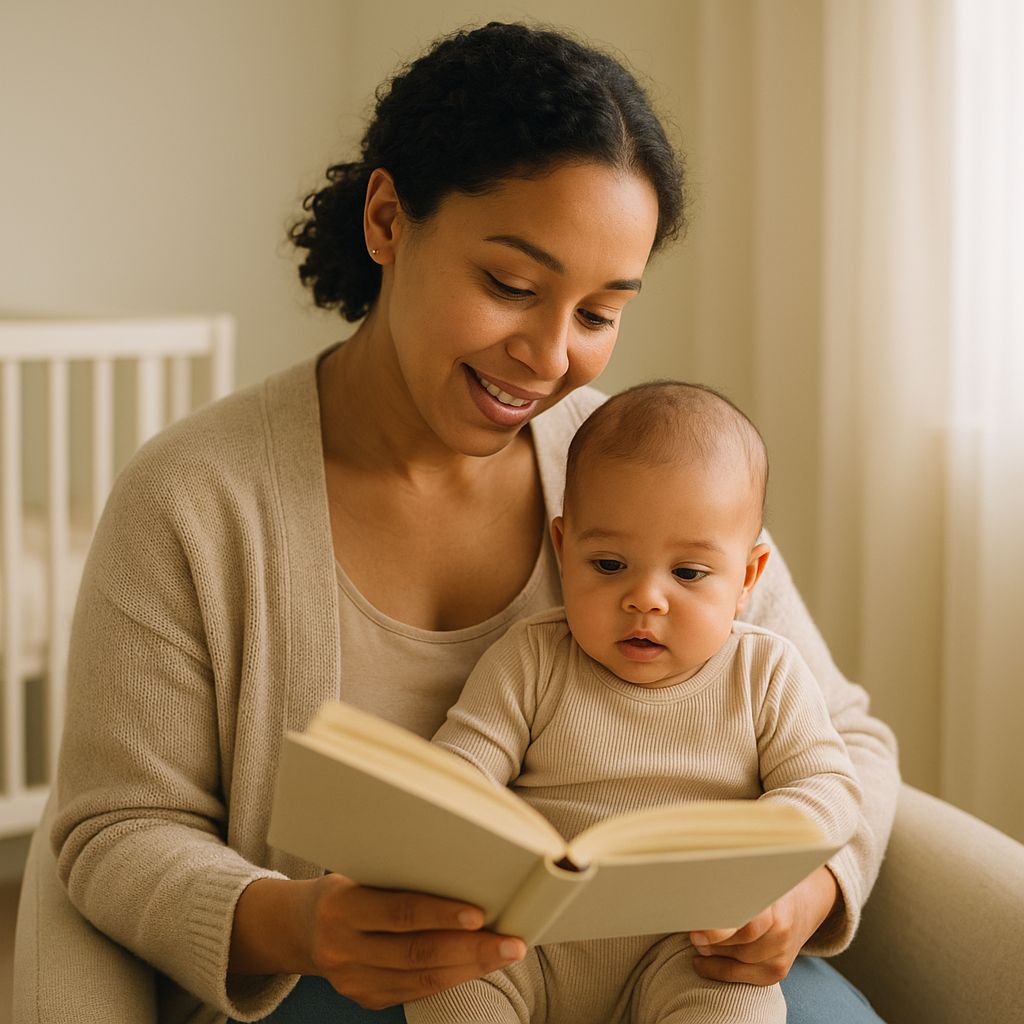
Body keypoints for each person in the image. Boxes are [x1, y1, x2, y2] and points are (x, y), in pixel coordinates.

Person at [46, 20, 897, 1024]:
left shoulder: (632, 469)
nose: (548, 356)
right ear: (387, 220)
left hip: (672, 974)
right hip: (365, 991)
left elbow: (843, 737)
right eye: (511, 286)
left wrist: (806, 889)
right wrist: (295, 921)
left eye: (597, 312)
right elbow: (115, 828)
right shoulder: (192, 499)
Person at [406, 381, 862, 1024]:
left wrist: (768, 851)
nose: (645, 598)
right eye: (611, 564)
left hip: (690, 945)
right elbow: (461, 765)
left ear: (748, 579)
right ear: (564, 550)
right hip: (527, 937)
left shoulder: (766, 671)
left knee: (741, 1008)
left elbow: (830, 785)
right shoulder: (533, 657)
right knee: (447, 985)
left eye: (688, 573)